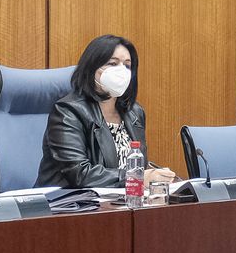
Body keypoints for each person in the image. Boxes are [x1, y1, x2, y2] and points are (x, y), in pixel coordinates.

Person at [38, 34, 177, 189]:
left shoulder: (134, 113)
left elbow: (139, 166)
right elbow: (80, 174)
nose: (122, 71)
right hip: (70, 206)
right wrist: (137, 177)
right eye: (112, 63)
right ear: (91, 69)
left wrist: (154, 176)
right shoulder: (68, 112)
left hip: (120, 203)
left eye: (127, 65)